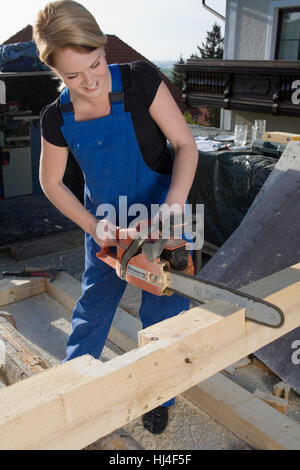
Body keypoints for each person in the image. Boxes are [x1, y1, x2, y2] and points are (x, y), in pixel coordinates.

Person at [33, 0, 198, 434]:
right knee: (93, 306)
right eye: (72, 76)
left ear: (103, 48)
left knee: (163, 310)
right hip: (106, 226)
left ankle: (159, 395)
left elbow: (185, 144)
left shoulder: (141, 81)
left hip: (165, 216)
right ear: (55, 73)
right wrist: (92, 226)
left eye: (96, 64)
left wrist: (174, 203)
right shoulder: (57, 118)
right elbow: (52, 183)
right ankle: (74, 388)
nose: (89, 82)